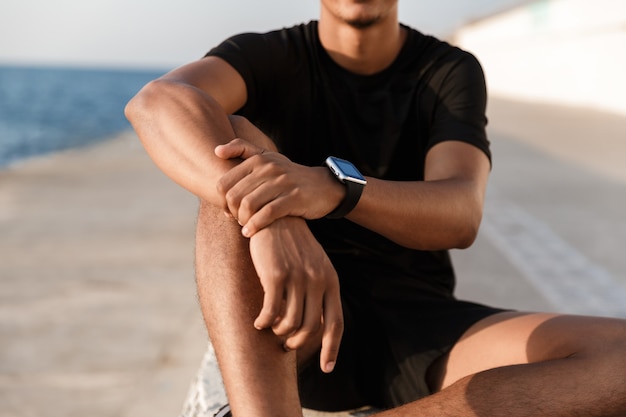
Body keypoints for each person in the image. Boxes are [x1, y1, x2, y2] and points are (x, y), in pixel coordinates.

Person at [125, 1, 626, 416]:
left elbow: (460, 209)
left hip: (419, 322)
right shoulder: (268, 55)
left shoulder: (446, 71)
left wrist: (335, 188)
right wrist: (275, 221)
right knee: (234, 140)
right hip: (295, 317)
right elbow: (158, 102)